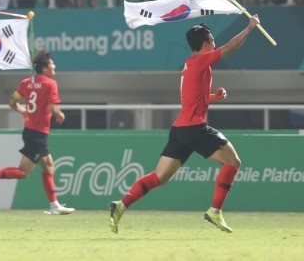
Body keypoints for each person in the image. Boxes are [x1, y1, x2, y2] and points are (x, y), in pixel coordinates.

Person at [108, 16, 261, 234]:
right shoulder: (202, 60)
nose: (215, 41)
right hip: (194, 128)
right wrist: (250, 27)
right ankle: (215, 211)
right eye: (212, 38)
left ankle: (120, 206)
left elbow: (192, 100)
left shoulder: (189, 64)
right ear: (206, 43)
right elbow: (232, 46)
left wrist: (213, 97)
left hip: (180, 129)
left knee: (159, 177)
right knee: (233, 161)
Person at [0, 50, 75, 216]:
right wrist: (60, 115)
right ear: (44, 68)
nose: (54, 66)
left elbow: (12, 102)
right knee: (23, 172)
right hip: (38, 133)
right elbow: (52, 107)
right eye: (52, 63)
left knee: (49, 166)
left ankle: (54, 205)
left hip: (30, 130)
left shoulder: (25, 83)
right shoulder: (51, 84)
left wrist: (23, 110)